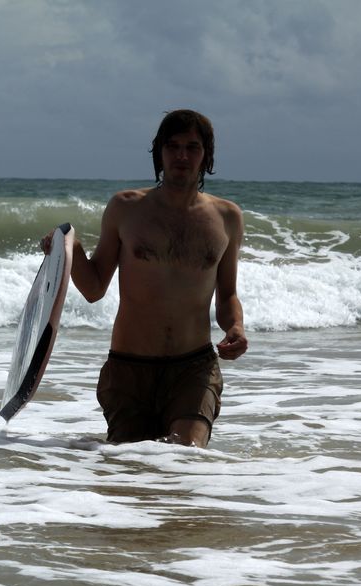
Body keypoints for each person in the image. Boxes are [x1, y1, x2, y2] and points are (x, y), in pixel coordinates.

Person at [43, 109, 247, 447]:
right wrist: (70, 249)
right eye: (173, 146)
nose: (182, 155)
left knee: (185, 456)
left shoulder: (227, 217)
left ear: (206, 156)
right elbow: (94, 288)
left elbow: (227, 295)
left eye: (193, 147)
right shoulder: (126, 208)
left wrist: (235, 327)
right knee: (132, 470)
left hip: (193, 368)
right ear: (159, 153)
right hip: (129, 370)